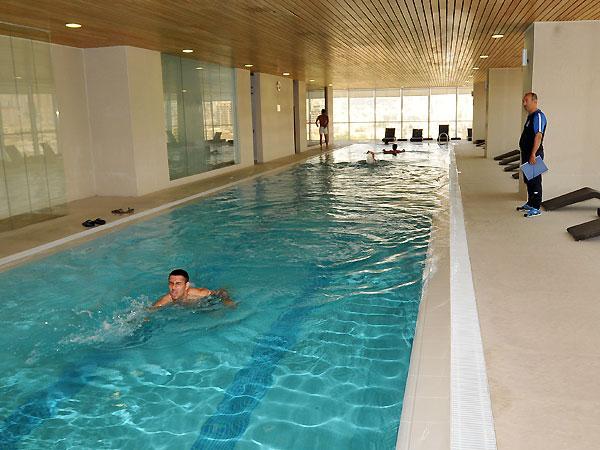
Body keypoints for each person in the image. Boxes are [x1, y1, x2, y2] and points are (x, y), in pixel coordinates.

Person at [517, 92, 548, 218]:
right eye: (523, 101)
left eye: (526, 101)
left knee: (535, 181)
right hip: (527, 153)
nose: (524, 104)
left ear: (535, 101)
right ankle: (530, 203)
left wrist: (533, 154)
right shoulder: (530, 116)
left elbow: (538, 136)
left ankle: (536, 207)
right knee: (529, 180)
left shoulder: (538, 116)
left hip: (533, 154)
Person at [151, 269, 235, 309]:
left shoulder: (199, 293)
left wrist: (227, 300)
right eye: (171, 283)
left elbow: (221, 291)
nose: (173, 287)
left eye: (178, 284)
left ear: (186, 286)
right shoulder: (166, 299)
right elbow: (150, 310)